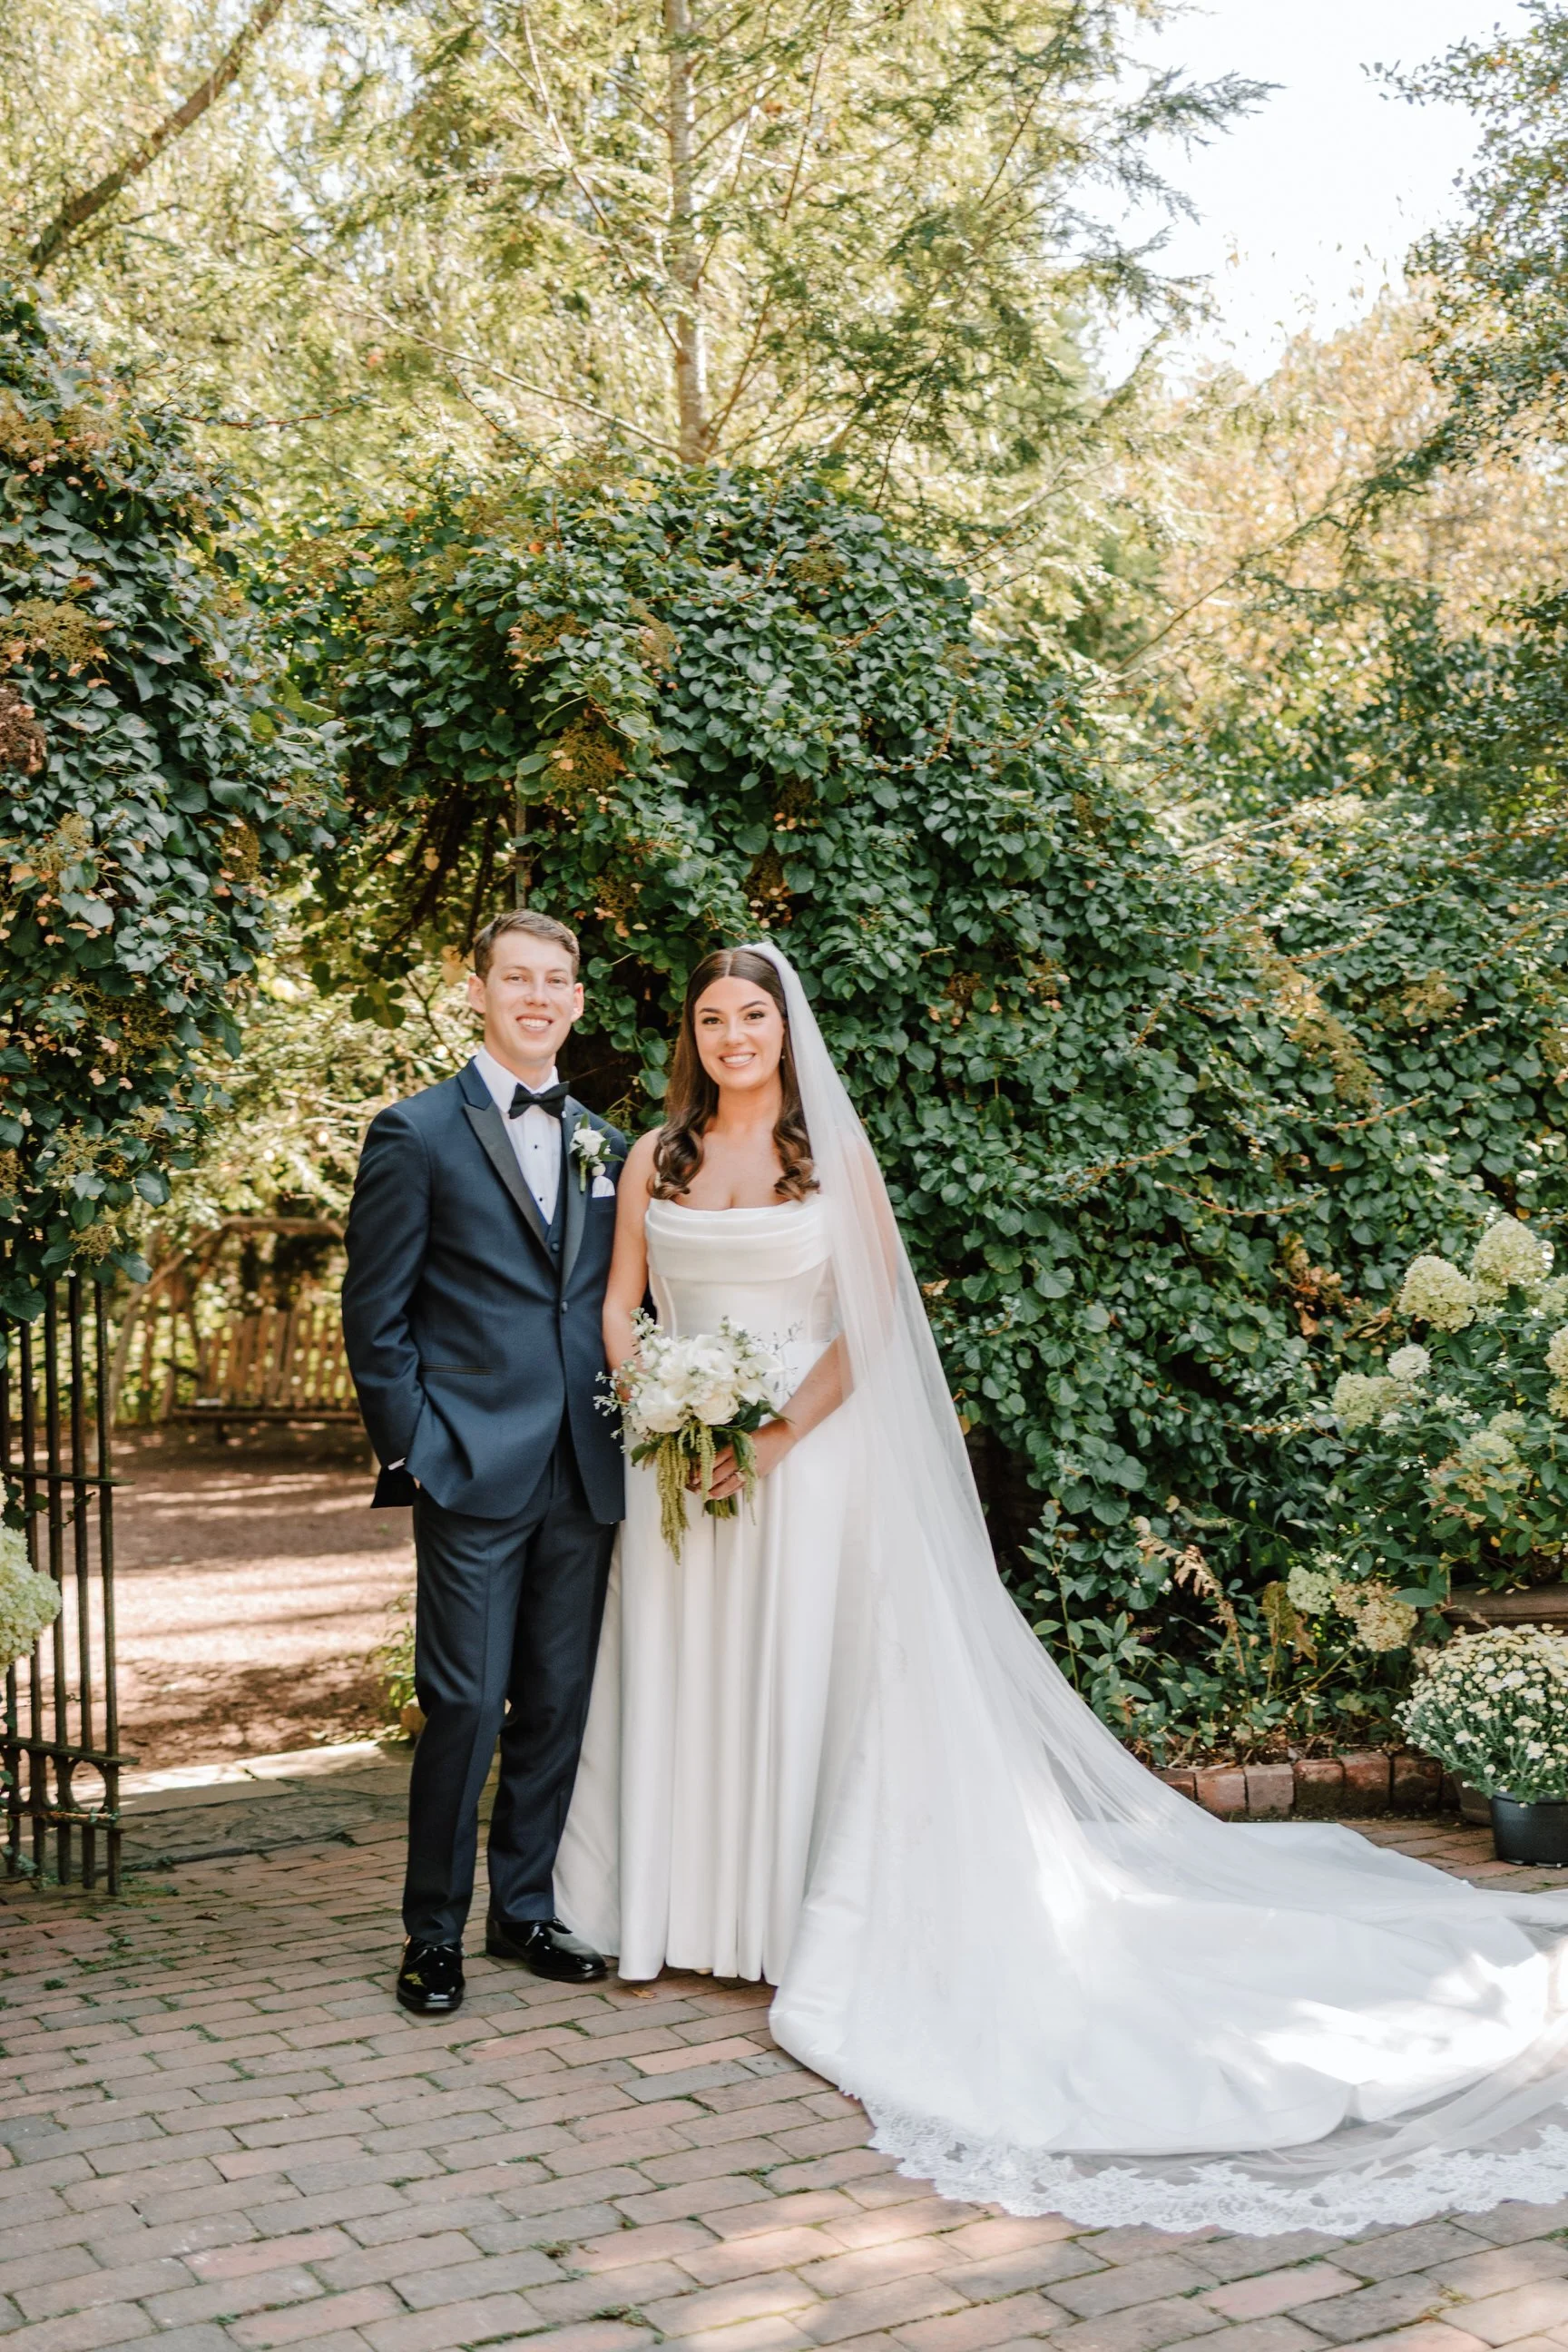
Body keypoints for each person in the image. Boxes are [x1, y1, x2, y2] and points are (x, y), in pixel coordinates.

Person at [556, 942, 1568, 2235]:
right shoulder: (656, 1158)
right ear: (689, 1037)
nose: (733, 1035)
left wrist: (762, 1438)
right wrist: (663, 1409)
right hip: (679, 1474)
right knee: (688, 1680)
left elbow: (871, 1327)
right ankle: (677, 1908)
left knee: (801, 1674)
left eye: (752, 1014)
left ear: (783, 1027)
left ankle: (783, 1919)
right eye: (712, 1018)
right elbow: (619, 1302)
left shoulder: (832, 1159)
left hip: (801, 1468)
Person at [343, 909, 624, 2018]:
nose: (538, 998)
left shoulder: (603, 1137)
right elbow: (377, 1319)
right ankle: (430, 1935)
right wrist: (417, 1447)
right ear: (478, 990)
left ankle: (523, 1913)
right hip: (469, 1464)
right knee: (461, 1703)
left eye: (557, 981)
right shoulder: (414, 1133)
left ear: (577, 1001)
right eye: (518, 979)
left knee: (555, 1704)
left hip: (583, 1465)